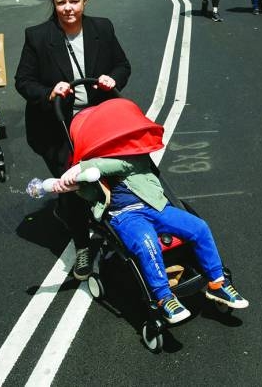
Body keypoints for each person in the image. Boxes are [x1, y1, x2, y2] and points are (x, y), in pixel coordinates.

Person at [48, 99, 248, 324]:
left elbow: (121, 165)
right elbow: (93, 197)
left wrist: (82, 168)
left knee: (198, 227)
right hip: (124, 216)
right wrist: (76, 187)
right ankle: (164, 297)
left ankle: (217, 283)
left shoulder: (133, 154)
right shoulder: (92, 165)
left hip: (155, 206)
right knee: (146, 242)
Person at [14, 0, 131, 281]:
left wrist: (112, 79)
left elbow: (122, 65)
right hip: (56, 126)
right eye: (61, 2)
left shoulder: (101, 28)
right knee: (71, 185)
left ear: (85, 2)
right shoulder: (38, 36)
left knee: (112, 174)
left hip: (96, 122)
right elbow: (23, 81)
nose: (68, 8)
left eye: (74, 1)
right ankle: (81, 243)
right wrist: (49, 91)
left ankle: (117, 227)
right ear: (53, 5)